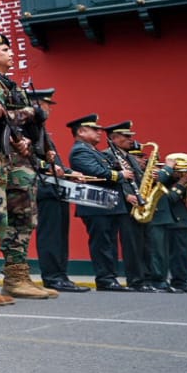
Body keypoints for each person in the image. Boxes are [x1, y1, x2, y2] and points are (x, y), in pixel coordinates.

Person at [0, 34, 57, 300]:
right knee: (1, 217)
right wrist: (30, 113)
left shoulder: (10, 84)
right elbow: (1, 117)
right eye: (4, 49)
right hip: (7, 157)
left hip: (22, 157)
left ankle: (17, 275)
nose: (11, 54)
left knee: (24, 218)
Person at [25, 89, 87, 292]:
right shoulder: (26, 128)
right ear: (34, 105)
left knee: (60, 234)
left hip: (56, 188)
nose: (48, 108)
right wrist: (47, 168)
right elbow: (25, 157)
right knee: (50, 235)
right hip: (44, 187)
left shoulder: (40, 128)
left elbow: (55, 162)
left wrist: (70, 172)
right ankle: (52, 276)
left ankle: (61, 274)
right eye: (45, 104)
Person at [66, 114, 131, 291]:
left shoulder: (92, 150)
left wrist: (118, 165)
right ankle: (105, 278)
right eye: (94, 129)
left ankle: (110, 277)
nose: (99, 133)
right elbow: (95, 171)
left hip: (107, 203)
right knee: (102, 242)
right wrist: (119, 174)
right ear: (81, 131)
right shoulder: (80, 150)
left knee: (109, 241)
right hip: (95, 203)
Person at [105, 124, 156, 291]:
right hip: (126, 206)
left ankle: (147, 279)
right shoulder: (108, 155)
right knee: (132, 245)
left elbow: (138, 180)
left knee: (145, 243)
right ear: (113, 138)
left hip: (140, 204)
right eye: (125, 136)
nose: (130, 139)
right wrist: (126, 195)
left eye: (130, 136)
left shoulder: (130, 157)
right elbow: (114, 181)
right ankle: (136, 280)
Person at [146, 154, 187, 292]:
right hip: (168, 219)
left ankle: (181, 281)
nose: (183, 173)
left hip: (181, 220)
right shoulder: (161, 179)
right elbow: (168, 198)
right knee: (162, 254)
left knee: (181, 254)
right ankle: (161, 280)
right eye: (179, 170)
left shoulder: (180, 179)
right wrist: (180, 185)